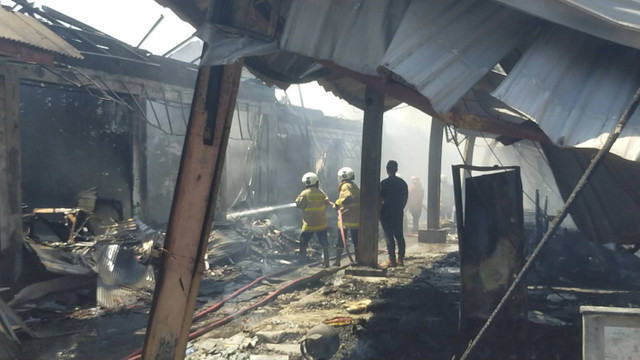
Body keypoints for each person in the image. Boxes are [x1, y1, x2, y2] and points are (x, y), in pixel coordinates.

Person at [295, 172, 331, 267]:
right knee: (324, 243)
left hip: (309, 224)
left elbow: (299, 204)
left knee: (303, 242)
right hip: (321, 223)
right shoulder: (321, 193)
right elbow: (326, 203)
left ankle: (302, 261)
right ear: (316, 182)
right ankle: (326, 261)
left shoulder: (305, 193)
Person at [379, 160, 408, 267]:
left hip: (386, 212)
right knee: (399, 235)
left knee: (388, 236)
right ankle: (400, 259)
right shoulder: (402, 183)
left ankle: (392, 260)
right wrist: (400, 208)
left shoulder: (384, 183)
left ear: (387, 169)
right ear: (396, 169)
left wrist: (378, 212)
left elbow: (379, 199)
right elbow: (405, 198)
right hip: (398, 212)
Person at [332, 167, 360, 266]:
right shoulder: (354, 186)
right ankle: (358, 260)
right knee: (356, 240)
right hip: (356, 218)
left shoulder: (345, 186)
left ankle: (337, 261)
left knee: (340, 240)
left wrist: (337, 204)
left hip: (346, 218)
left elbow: (346, 198)